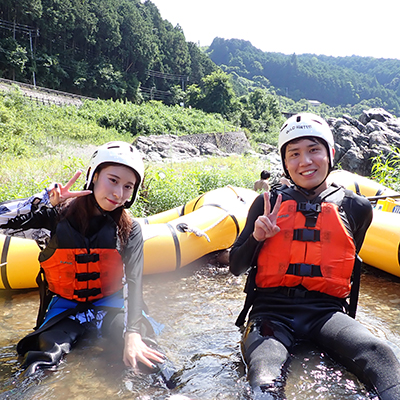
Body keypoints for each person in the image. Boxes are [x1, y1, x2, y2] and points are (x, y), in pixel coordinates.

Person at [229, 113, 400, 399]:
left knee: (380, 354)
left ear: (330, 154)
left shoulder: (356, 207)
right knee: (264, 374)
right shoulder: (267, 202)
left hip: (326, 313)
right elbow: (236, 266)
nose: (305, 162)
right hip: (271, 313)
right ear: (285, 163)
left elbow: (347, 257)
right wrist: (257, 238)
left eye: (313, 150)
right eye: (294, 154)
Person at [0, 141, 166, 377]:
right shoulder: (55, 218)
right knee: (42, 357)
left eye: (128, 186)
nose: (119, 194)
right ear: (94, 176)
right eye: (113, 180)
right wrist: (45, 200)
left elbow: (136, 282)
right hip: (66, 306)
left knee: (144, 353)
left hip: (112, 305)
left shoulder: (129, 230)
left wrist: (133, 334)